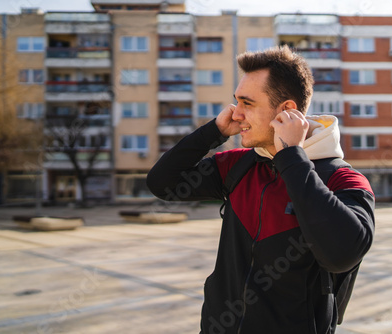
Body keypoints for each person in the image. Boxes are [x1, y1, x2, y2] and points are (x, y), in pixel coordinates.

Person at [147, 46, 375, 334]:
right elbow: (162, 183)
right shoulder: (239, 166)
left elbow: (342, 254)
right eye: (236, 102)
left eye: (247, 103)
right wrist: (213, 132)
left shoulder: (344, 180)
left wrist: (291, 155)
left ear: (287, 112)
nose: (236, 113)